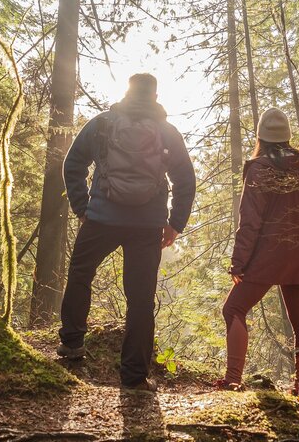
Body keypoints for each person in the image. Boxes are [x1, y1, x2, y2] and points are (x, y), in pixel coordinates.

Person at [58, 73, 196, 391]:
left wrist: (82, 207)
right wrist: (175, 223)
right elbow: (185, 181)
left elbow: (73, 165)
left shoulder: (103, 124)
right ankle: (134, 377)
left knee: (80, 273)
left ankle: (72, 344)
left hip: (102, 219)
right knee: (140, 300)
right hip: (147, 225)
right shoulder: (166, 131)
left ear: (128, 90)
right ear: (155, 94)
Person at [220, 107, 299, 395]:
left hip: (265, 257)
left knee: (234, 308)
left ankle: (233, 379)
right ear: (287, 136)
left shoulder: (259, 169)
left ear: (261, 137)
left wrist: (238, 262)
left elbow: (250, 222)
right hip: (298, 254)